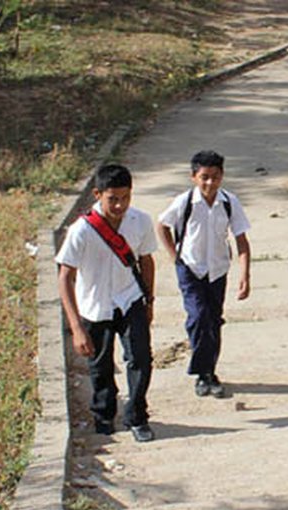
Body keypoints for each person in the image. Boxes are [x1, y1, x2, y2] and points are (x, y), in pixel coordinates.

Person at [57, 164, 158, 443]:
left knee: (140, 359)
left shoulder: (140, 221)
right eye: (112, 198)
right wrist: (76, 326)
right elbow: (65, 277)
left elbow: (147, 261)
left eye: (125, 198)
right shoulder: (82, 231)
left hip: (130, 300)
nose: (119, 205)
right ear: (98, 194)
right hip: (95, 306)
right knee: (99, 367)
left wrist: (149, 300)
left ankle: (137, 416)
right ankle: (104, 415)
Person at [156, 150, 252, 398]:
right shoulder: (184, 202)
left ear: (222, 176)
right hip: (190, 268)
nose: (210, 183)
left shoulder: (229, 202)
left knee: (213, 320)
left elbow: (241, 239)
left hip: (217, 270)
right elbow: (162, 225)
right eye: (205, 177)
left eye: (216, 177)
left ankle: (209, 372)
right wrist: (173, 255)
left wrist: (245, 275)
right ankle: (202, 373)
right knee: (198, 317)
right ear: (194, 177)